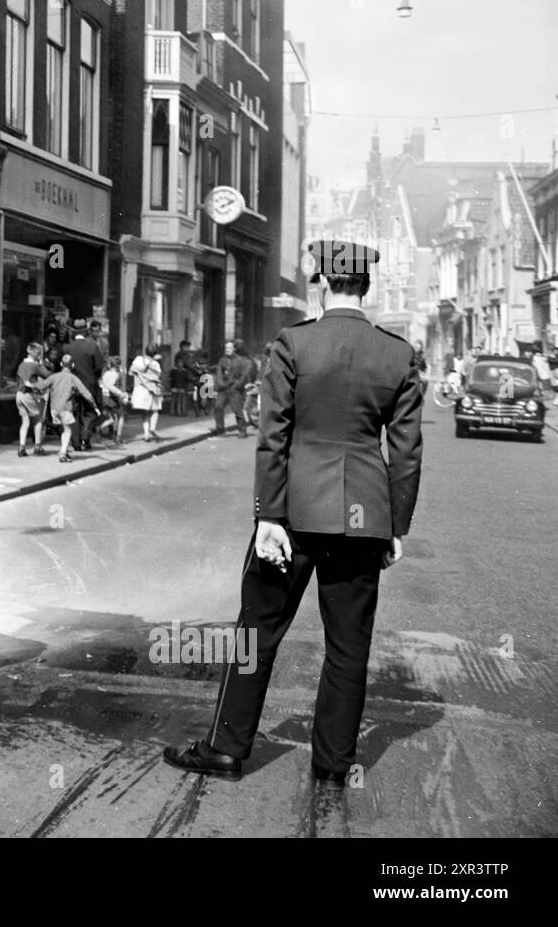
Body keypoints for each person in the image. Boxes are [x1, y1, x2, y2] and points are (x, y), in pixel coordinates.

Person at [163, 240, 423, 789]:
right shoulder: (397, 355)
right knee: (349, 646)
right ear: (366, 287)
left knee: (256, 632)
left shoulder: (294, 344)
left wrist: (268, 518)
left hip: (296, 513)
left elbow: (272, 436)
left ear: (323, 284)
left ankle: (227, 748)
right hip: (363, 518)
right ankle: (332, 763)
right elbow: (405, 452)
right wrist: (397, 526)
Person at [42, 354, 99, 462]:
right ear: (72, 365)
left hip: (54, 409)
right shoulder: (73, 378)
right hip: (65, 408)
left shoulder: (54, 376)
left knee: (64, 430)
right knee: (68, 431)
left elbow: (42, 386)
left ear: (60, 364)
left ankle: (66, 451)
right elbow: (87, 394)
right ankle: (63, 453)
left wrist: (30, 384)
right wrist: (94, 406)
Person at [64, 319, 105, 450]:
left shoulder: (67, 348)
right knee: (89, 413)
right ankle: (84, 439)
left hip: (72, 387)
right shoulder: (92, 346)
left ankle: (76, 443)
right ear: (86, 331)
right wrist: (94, 377)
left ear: (73, 332)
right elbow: (99, 367)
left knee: (74, 413)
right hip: (89, 385)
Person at [15, 342, 52, 457]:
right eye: (39, 353)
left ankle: (21, 447)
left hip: (19, 395)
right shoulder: (35, 365)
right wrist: (42, 363)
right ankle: (37, 446)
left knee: (25, 422)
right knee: (38, 420)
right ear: (37, 353)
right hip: (29, 395)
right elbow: (48, 375)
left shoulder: (21, 364)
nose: (40, 354)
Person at [212, 339, 253, 437]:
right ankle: (220, 430)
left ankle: (242, 430)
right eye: (226, 348)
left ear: (234, 349)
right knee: (218, 407)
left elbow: (244, 374)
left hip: (235, 388)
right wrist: (220, 385)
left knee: (237, 410)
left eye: (229, 348)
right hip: (224, 388)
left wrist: (238, 384)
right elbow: (219, 374)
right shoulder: (222, 360)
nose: (227, 349)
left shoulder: (240, 360)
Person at [129, 343, 164, 442]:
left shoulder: (139, 359)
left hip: (141, 389)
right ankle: (152, 428)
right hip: (153, 388)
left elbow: (131, 372)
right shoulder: (156, 364)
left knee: (144, 412)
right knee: (155, 410)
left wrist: (140, 375)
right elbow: (158, 376)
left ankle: (146, 435)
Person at [100, 355, 129, 445]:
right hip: (111, 398)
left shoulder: (105, 373)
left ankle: (100, 428)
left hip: (104, 397)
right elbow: (110, 386)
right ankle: (118, 437)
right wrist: (120, 393)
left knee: (112, 418)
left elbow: (102, 384)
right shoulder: (115, 374)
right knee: (121, 416)